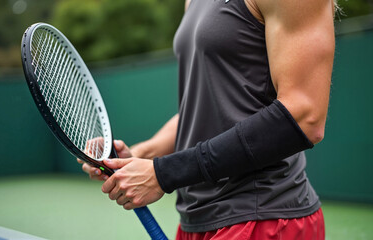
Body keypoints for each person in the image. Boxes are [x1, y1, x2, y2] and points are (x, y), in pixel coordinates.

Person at [78, 0, 336, 238]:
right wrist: (141, 155)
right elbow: (207, 106)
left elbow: (305, 116)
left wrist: (163, 173)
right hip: (195, 219)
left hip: (262, 217)